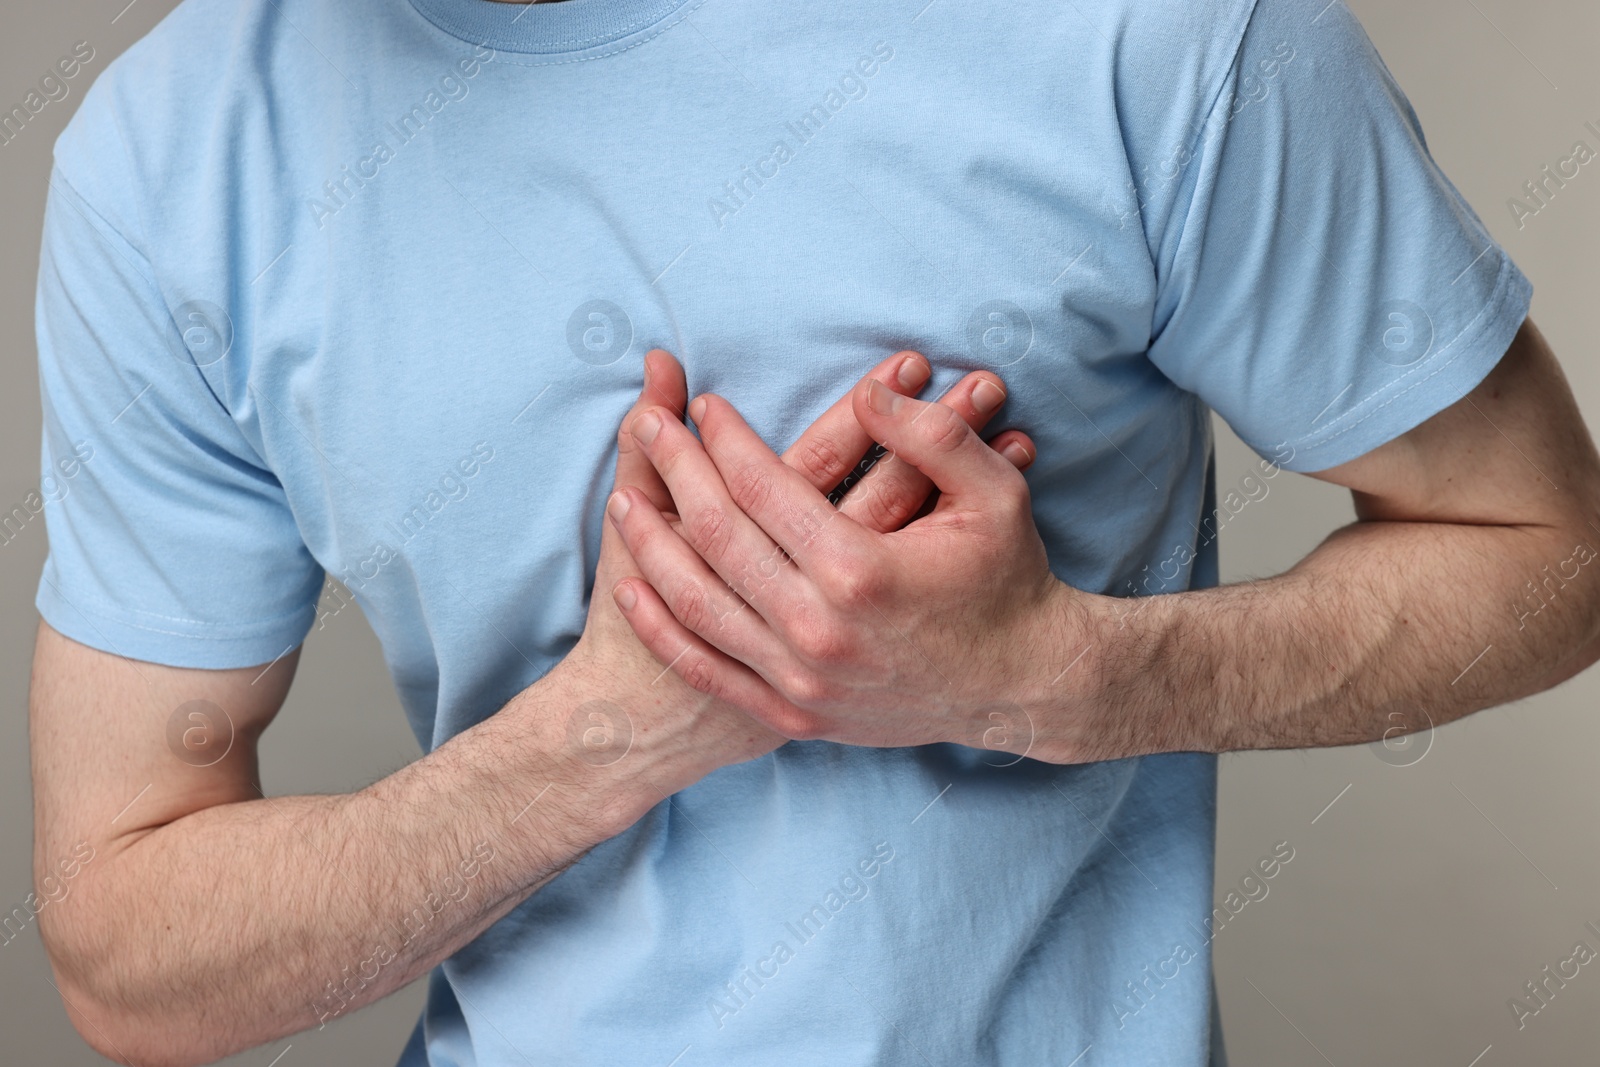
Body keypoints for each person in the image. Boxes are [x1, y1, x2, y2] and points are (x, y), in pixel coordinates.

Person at [26, 0, 1600, 1063]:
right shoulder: (168, 165)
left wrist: (1054, 679)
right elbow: (125, 945)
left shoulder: (1158, 32)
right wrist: (606, 735)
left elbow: (1546, 549)